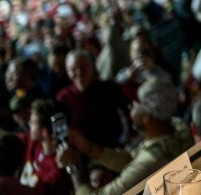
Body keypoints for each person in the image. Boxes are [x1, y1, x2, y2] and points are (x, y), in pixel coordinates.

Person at [58, 77, 192, 195]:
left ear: (146, 116)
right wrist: (88, 148)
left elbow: (140, 166)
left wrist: (73, 167)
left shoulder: (152, 161)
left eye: (133, 105)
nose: (130, 111)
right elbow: (132, 161)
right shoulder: (178, 127)